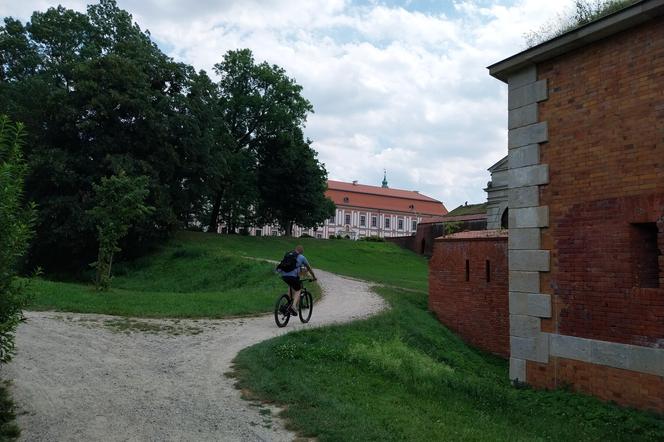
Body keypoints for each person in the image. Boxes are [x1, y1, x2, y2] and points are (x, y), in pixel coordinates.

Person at [278, 245, 317, 315]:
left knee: (291, 287)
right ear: (301, 252)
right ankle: (293, 306)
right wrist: (314, 277)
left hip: (284, 276)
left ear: (295, 249)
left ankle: (286, 306)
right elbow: (309, 268)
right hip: (293, 277)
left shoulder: (288, 254)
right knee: (298, 289)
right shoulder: (302, 257)